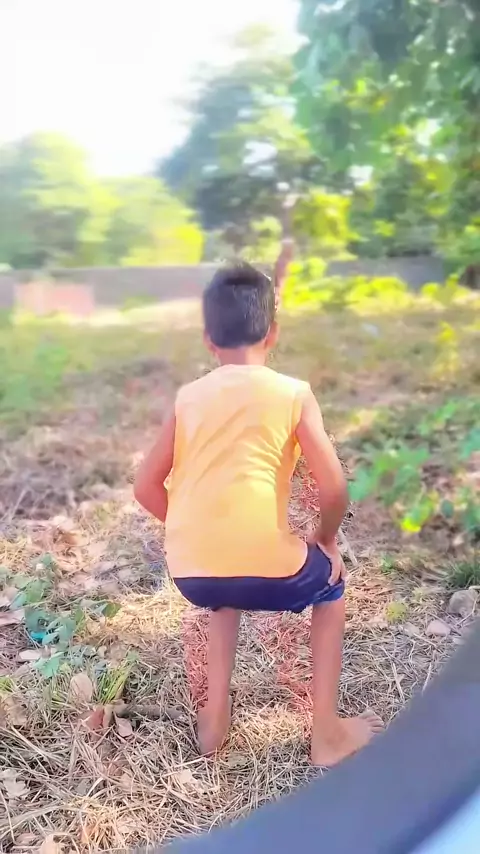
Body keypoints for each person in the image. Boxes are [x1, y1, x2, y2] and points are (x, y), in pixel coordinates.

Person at [134, 247, 383, 766]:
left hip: (193, 574)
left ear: (208, 339)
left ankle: (215, 720)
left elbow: (145, 487)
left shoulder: (188, 397)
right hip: (272, 569)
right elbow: (334, 488)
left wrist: (189, 528)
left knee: (225, 595)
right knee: (332, 587)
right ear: (273, 333)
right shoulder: (293, 393)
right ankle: (326, 733)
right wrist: (326, 540)